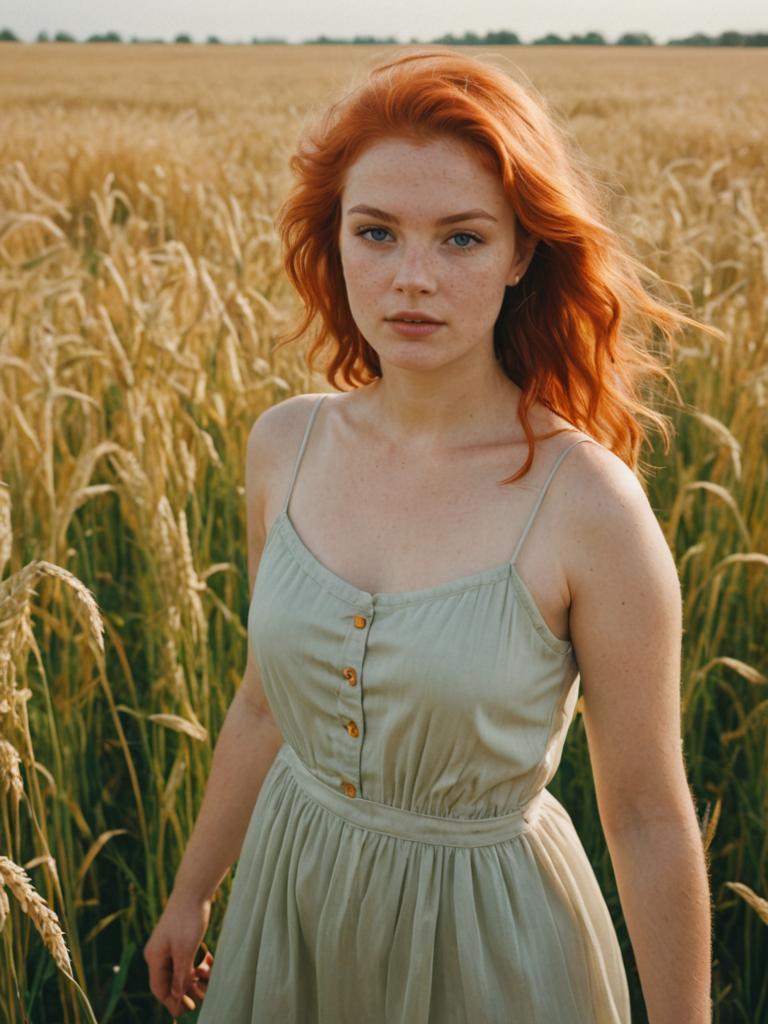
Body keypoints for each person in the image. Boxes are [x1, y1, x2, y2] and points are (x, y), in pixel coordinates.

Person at [144, 48, 714, 1023]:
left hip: (488, 945)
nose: (413, 279)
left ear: (521, 253)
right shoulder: (285, 445)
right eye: (377, 233)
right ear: (336, 240)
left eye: (461, 239)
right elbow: (262, 701)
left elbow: (651, 817)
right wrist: (193, 890)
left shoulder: (590, 508)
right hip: (293, 910)